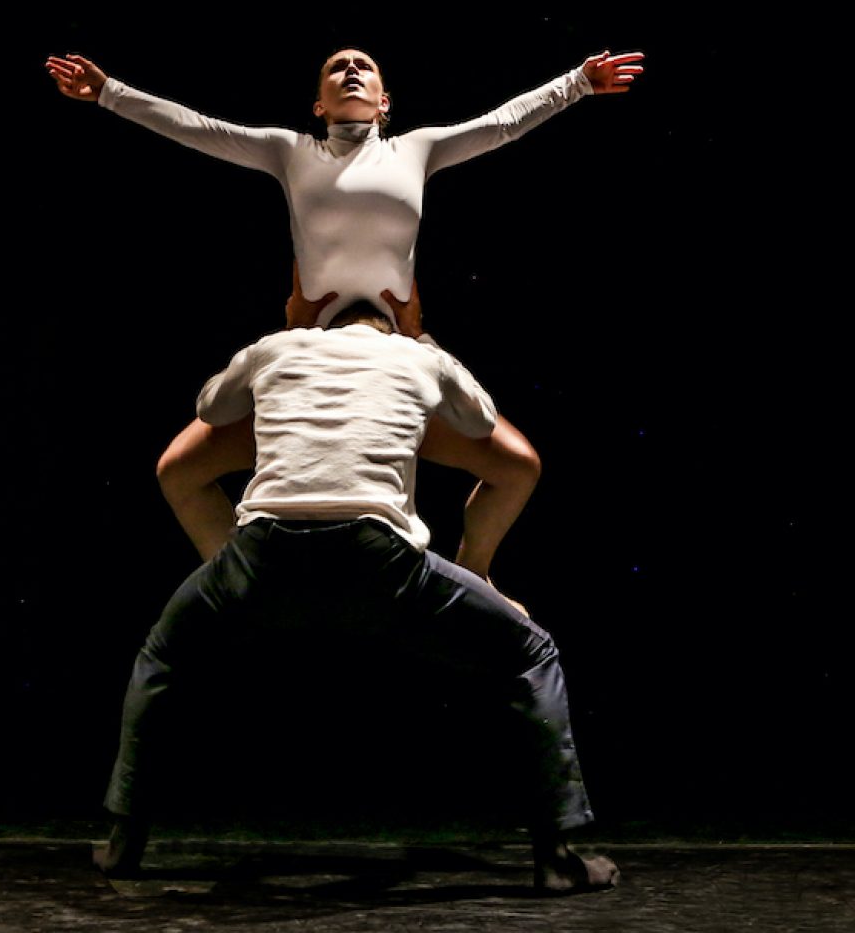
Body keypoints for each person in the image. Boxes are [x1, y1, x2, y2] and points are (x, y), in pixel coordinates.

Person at [44, 45, 644, 590]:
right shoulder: (291, 151)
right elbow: (198, 129)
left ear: (385, 101)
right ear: (318, 103)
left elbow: (501, 125)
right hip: (308, 351)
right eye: (337, 67)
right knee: (178, 469)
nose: (351, 70)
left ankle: (476, 574)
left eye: (364, 67)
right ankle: (236, 585)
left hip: (398, 346)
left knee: (518, 465)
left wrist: (578, 83)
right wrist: (107, 92)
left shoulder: (417, 148)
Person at [93, 299, 619, 895]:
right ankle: (558, 856)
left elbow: (209, 407)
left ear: (315, 312)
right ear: (394, 317)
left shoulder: (279, 345)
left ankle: (122, 844)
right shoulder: (415, 356)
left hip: (264, 551)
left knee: (161, 659)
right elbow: (481, 423)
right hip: (376, 557)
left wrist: (287, 338)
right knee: (532, 653)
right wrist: (426, 344)